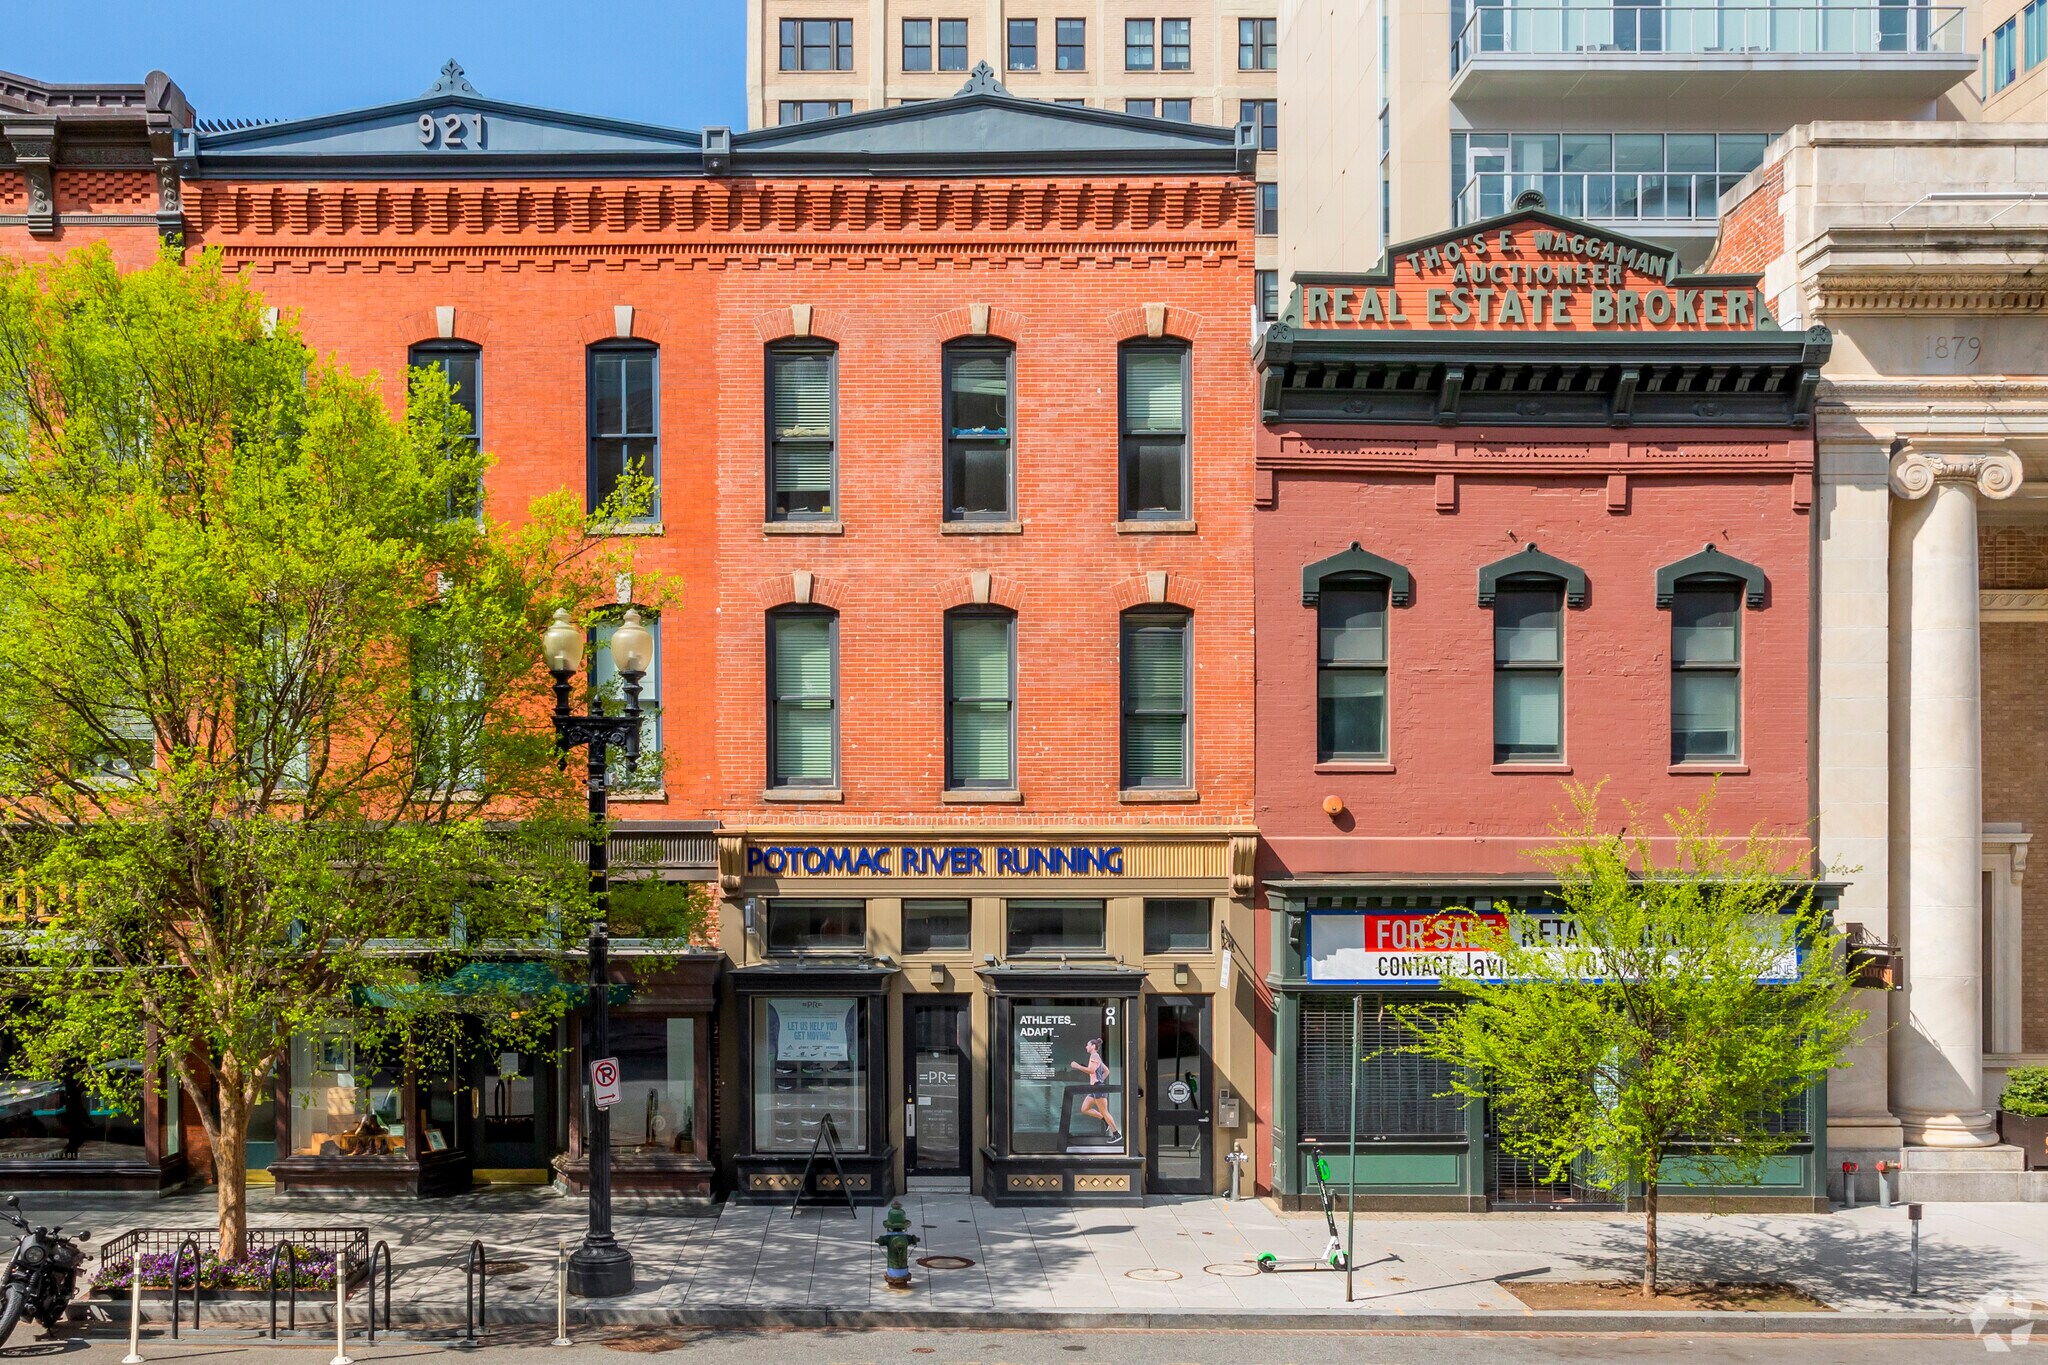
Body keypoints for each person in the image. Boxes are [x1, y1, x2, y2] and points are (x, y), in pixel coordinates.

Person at [1068, 1038, 1120, 1144]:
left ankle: (1116, 1134)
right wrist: (1100, 1081)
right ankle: (1104, 1120)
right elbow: (1107, 1071)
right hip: (1094, 1088)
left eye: (1087, 1045)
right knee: (1084, 1109)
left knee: (1104, 1111)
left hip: (1097, 1088)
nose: (1086, 1047)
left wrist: (1077, 1066)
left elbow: (1091, 1070)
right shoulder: (1097, 1057)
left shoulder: (1094, 1056)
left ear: (1093, 1046)